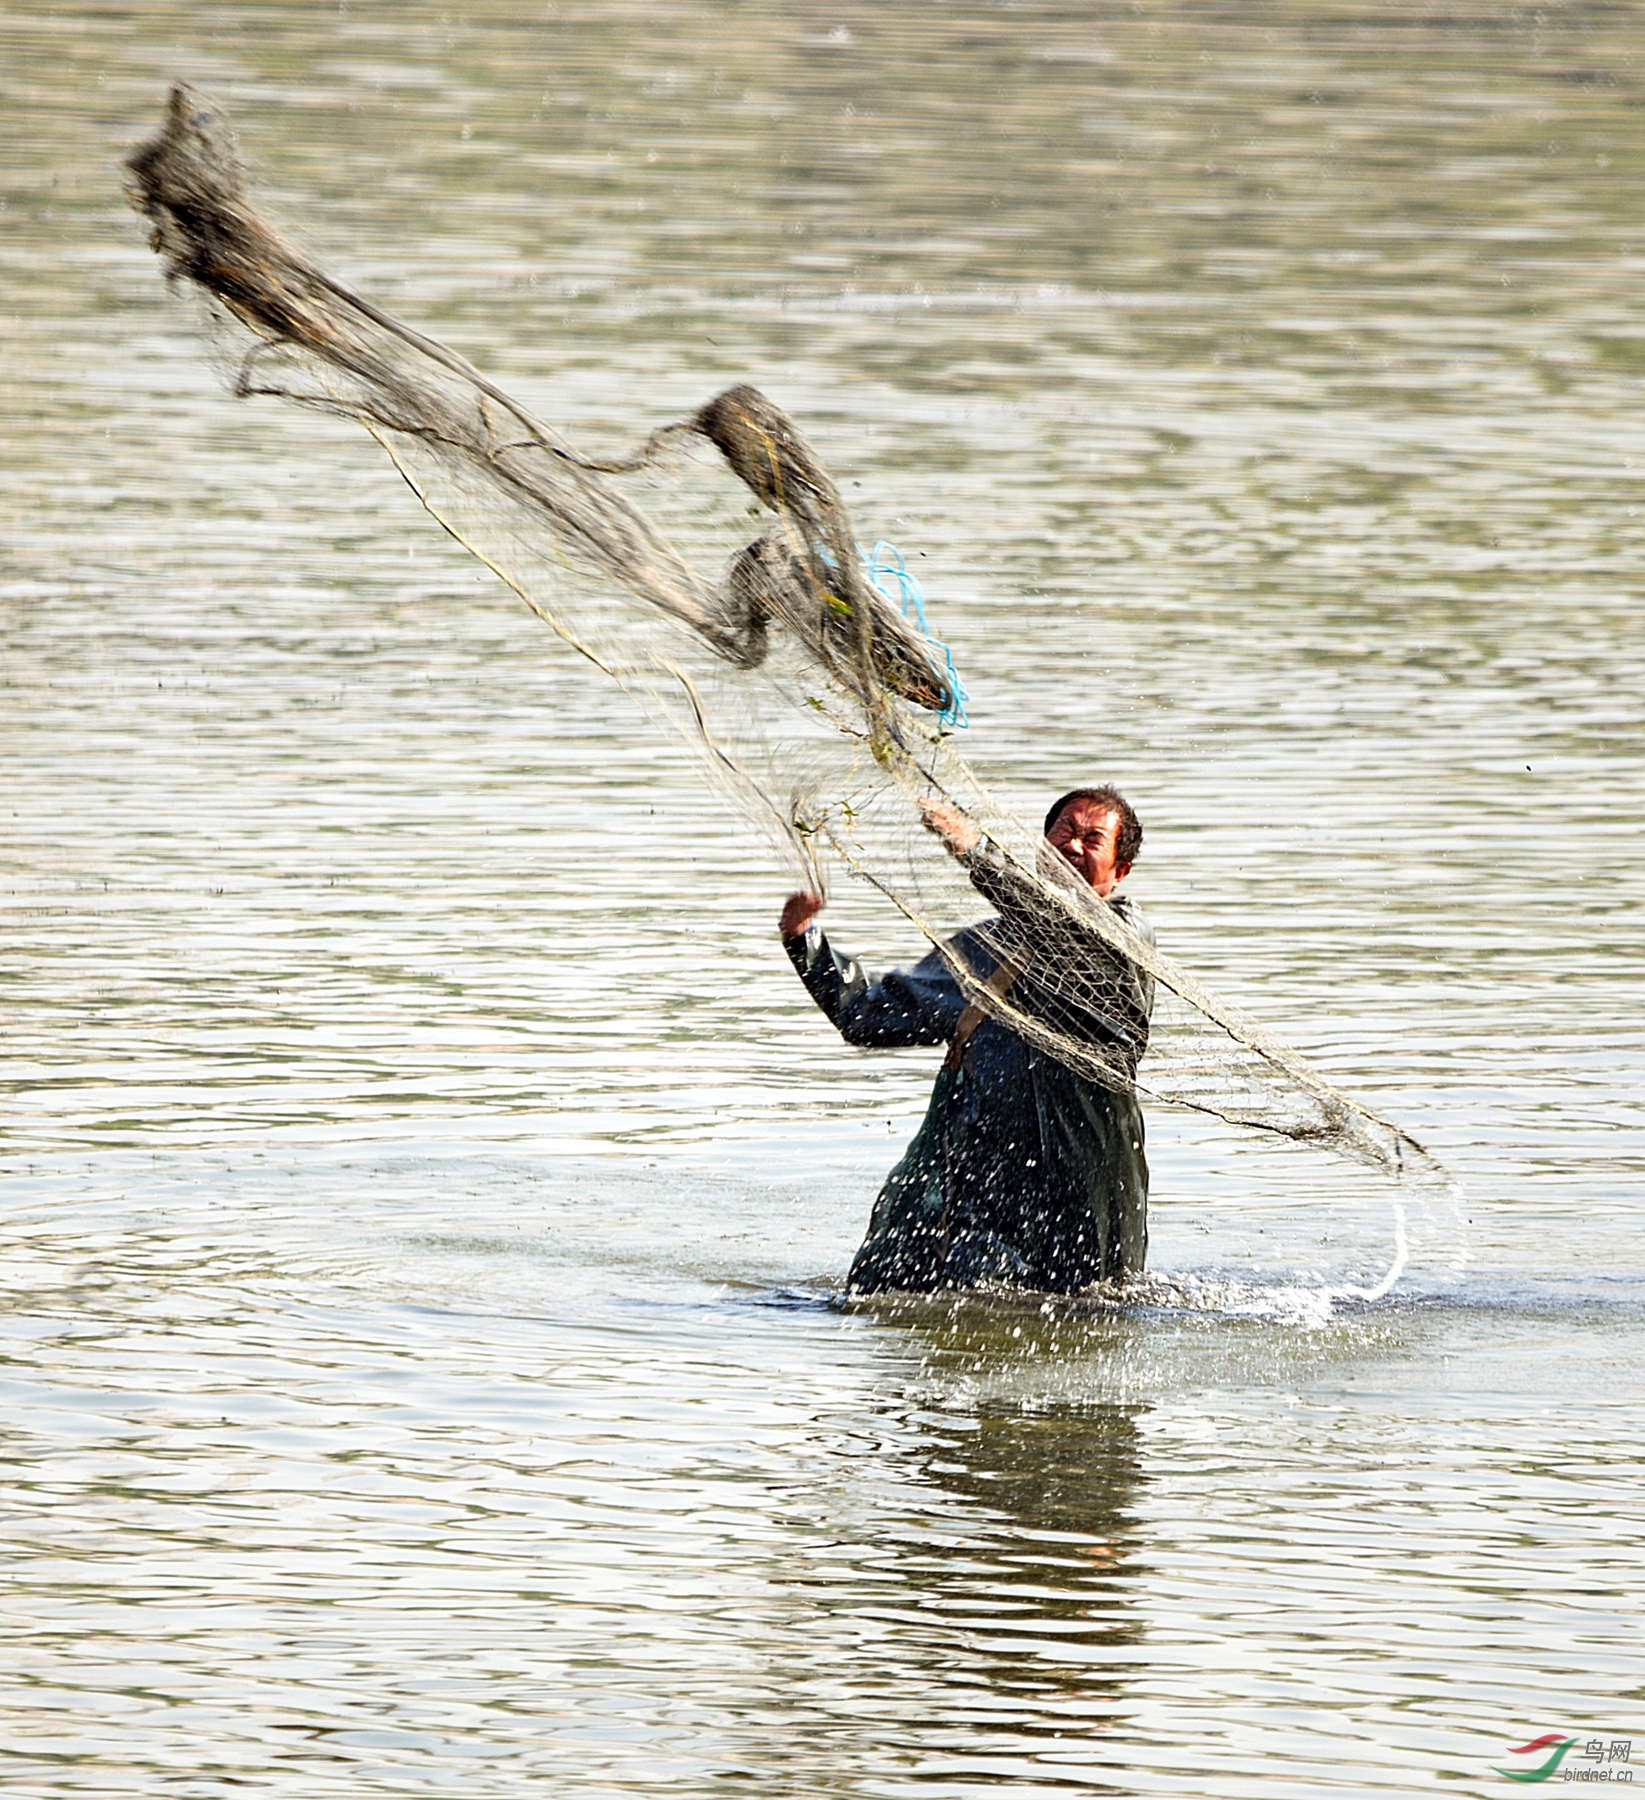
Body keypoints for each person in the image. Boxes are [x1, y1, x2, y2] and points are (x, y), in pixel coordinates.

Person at [780, 787, 1155, 1294]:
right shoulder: (982, 950)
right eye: (1065, 830)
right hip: (985, 1179)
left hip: (1086, 1185)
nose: (1072, 845)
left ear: (1120, 872)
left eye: (1093, 839)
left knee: (1092, 1307)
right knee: (908, 1293)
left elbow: (1065, 931)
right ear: (1041, 849)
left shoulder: (1125, 937)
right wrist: (804, 940)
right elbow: (868, 1015)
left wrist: (975, 849)